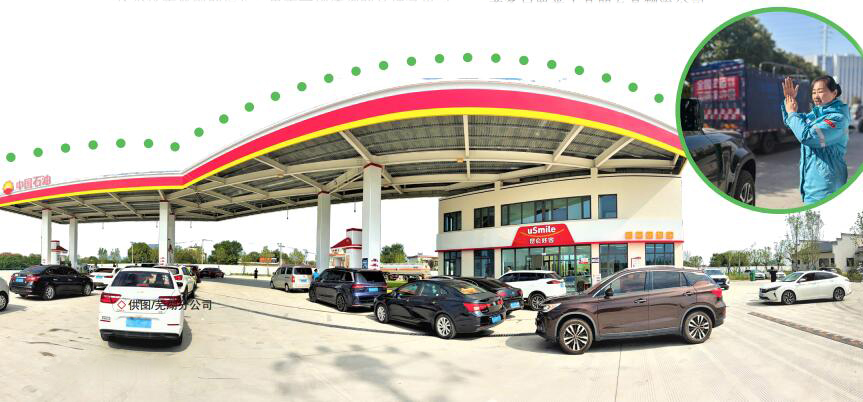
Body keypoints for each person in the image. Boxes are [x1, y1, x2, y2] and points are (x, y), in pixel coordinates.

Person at [781, 75, 850, 204]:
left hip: (826, 187)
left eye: (820, 91)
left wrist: (792, 113)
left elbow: (807, 137)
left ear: (834, 93)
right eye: (813, 92)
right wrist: (789, 100)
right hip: (811, 185)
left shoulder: (837, 119)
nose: (816, 96)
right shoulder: (815, 115)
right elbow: (792, 122)